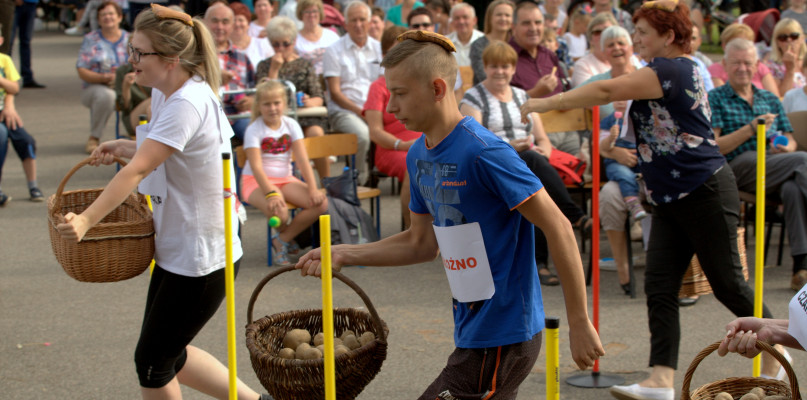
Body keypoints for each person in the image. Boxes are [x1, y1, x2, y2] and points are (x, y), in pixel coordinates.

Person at [296, 30, 605, 399]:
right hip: (471, 330)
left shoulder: (486, 153)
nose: (390, 107)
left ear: (438, 89)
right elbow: (420, 243)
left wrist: (579, 321)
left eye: (400, 92)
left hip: (505, 335)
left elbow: (558, 226)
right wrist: (344, 253)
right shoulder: (418, 154)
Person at [519, 2, 784, 398]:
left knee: (728, 284)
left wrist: (545, 103)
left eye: (643, 32)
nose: (636, 39)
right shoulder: (671, 71)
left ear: (669, 36)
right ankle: (660, 380)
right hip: (669, 196)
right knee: (660, 287)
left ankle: (776, 355)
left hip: (704, 191)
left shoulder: (672, 69)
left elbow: (606, 89)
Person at [55, 5, 269, 399]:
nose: (130, 59)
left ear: (171, 60)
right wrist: (123, 145)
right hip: (182, 243)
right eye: (132, 50)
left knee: (152, 362)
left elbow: (137, 171)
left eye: (139, 53)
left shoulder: (187, 102)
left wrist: (86, 221)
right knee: (165, 354)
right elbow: (162, 151)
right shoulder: (165, 90)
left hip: (202, 252)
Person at [460, 40, 592, 286]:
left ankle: (541, 262)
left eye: (506, 66)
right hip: (491, 165)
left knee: (534, 174)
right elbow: (474, 142)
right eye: (494, 66)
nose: (500, 71)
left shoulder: (522, 95)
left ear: (513, 69)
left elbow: (542, 139)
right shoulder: (474, 97)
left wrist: (543, 148)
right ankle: (575, 217)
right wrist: (510, 148)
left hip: (526, 163)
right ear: (485, 67)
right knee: (530, 166)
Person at [708, 38, 807, 292]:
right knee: (803, 161)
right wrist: (752, 128)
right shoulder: (716, 97)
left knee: (793, 188)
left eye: (748, 63)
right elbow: (715, 146)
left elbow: (792, 140)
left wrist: (786, 147)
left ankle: (801, 268)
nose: (742, 68)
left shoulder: (769, 98)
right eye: (736, 63)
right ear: (725, 65)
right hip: (736, 167)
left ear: (757, 66)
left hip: (774, 163)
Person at [241, 80, 327, 264]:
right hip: (256, 181)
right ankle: (286, 240)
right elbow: (256, 167)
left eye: (276, 103)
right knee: (279, 212)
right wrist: (271, 193)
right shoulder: (254, 129)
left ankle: (282, 240)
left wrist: (313, 188)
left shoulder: (291, 124)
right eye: (267, 104)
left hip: (285, 178)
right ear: (259, 106)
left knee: (320, 203)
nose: (272, 108)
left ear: (284, 104)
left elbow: (303, 160)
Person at [256, 16, 330, 178]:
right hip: (275, 119)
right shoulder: (264, 66)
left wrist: (308, 101)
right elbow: (263, 95)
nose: (281, 48)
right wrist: (274, 70)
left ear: (294, 42)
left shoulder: (305, 64)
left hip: (304, 117)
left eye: (285, 43)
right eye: (276, 44)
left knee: (316, 132)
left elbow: (319, 97)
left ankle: (327, 183)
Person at [362, 25, 417, 228]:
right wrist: (403, 145)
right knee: (417, 164)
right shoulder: (377, 88)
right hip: (391, 148)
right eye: (397, 51)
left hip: (422, 142)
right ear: (385, 55)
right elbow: (375, 132)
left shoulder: (417, 83)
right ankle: (413, 230)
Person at [322, 1, 380, 184]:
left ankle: (385, 171)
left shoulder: (379, 49)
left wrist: (373, 112)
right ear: (345, 24)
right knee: (362, 135)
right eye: (353, 20)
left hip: (375, 109)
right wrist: (361, 112)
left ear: (370, 22)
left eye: (362, 19)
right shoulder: (333, 50)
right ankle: (358, 181)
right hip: (345, 111)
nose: (358, 24)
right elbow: (335, 93)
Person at [509, 1, 575, 154]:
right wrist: (536, 92)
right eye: (526, 23)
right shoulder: (506, 57)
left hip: (568, 128)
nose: (533, 28)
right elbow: (502, 106)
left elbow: (567, 89)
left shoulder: (549, 55)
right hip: (532, 137)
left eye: (538, 23)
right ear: (514, 27)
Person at [76, 1, 129, 154]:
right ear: (98, 19)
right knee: (107, 95)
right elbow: (81, 69)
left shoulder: (129, 38)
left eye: (111, 14)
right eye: (103, 15)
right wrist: (105, 78)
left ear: (119, 17)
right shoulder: (91, 39)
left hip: (126, 84)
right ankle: (94, 137)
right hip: (96, 87)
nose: (107, 17)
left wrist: (122, 79)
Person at [0, 28, 43, 205]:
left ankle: (33, 185)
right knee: (1, 137)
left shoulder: (4, 60)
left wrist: (9, 105)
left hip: (4, 111)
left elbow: (15, 88)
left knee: (26, 141)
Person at [205, 2, 256, 143]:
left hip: (240, 115)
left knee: (257, 134)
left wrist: (251, 100)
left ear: (232, 26)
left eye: (225, 22)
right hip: (208, 116)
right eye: (214, 21)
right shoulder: (197, 56)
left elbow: (254, 89)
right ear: (205, 23)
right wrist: (212, 77)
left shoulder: (242, 57)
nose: (219, 27)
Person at [708, 23, 778, 94]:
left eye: (745, 43)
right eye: (735, 43)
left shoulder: (760, 67)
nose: (741, 47)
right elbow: (722, 98)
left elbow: (774, 97)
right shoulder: (715, 70)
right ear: (724, 46)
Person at [468, 0, 514, 85]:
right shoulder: (478, 45)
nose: (503, 18)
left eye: (507, 15)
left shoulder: (517, 44)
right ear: (490, 18)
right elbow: (483, 76)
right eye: (499, 15)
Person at [570, 12, 616, 88]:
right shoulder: (582, 66)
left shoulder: (630, 59)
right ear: (591, 39)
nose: (603, 35)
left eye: (608, 31)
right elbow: (588, 97)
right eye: (597, 32)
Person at [295, 0, 340, 75]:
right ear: (301, 14)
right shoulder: (295, 39)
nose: (311, 15)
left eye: (315, 11)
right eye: (307, 12)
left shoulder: (332, 36)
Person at [765, 18, 807, 97]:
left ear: (802, 39)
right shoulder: (772, 66)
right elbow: (782, 97)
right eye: (783, 38)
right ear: (777, 42)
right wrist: (790, 70)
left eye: (794, 36)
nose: (789, 40)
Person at [230, 2, 274, 75]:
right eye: (234, 20)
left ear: (248, 24)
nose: (237, 24)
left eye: (241, 20)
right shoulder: (224, 47)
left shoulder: (262, 44)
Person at [114, 61, 152, 138]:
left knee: (155, 104)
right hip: (133, 118)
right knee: (153, 102)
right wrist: (126, 87)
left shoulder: (155, 69)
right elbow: (125, 108)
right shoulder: (122, 71)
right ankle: (162, 136)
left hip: (154, 112)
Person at [12, 0, 45, 88]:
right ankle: (5, 77)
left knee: (26, 42)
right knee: (8, 42)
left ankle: (27, 77)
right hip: (14, 4)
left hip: (31, 3)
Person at [445, 2, 483, 67]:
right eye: (457, 18)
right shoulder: (445, 43)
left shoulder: (484, 41)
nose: (461, 22)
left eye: (465, 17)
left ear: (474, 20)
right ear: (452, 22)